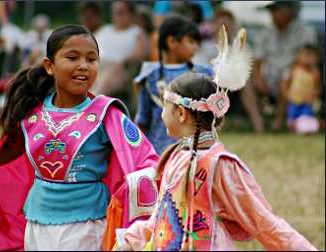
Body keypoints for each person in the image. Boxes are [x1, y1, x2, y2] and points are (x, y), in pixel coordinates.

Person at [114, 26, 317, 251]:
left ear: (181, 114)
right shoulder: (175, 156)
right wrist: (131, 240)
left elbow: (263, 221)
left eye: (165, 107)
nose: (161, 114)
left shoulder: (220, 165)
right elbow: (162, 216)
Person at [0, 24, 159, 251]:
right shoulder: (31, 113)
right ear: (49, 66)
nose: (83, 66)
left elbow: (144, 158)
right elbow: (2, 157)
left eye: (91, 59)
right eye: (72, 57)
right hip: (36, 224)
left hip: (87, 225)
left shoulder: (107, 114)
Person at [134, 15, 213, 155]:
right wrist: (135, 151)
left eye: (197, 42)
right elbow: (142, 119)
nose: (196, 47)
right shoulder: (151, 76)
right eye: (191, 41)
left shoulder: (202, 74)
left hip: (194, 151)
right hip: (157, 152)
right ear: (172, 42)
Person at [251, 1, 317, 131]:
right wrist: (259, 80)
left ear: (291, 10)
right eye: (272, 10)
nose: (273, 14)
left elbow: (308, 60)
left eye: (277, 9)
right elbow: (256, 62)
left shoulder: (305, 31)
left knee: (287, 76)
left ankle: (279, 122)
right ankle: (258, 123)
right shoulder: (265, 32)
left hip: (294, 78)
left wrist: (289, 76)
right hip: (268, 78)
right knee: (247, 80)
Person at [92, 1, 149, 117]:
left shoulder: (137, 32)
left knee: (112, 69)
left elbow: (141, 54)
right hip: (97, 64)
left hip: (121, 69)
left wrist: (123, 61)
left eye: (121, 12)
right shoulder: (104, 29)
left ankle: (92, 103)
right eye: (115, 12)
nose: (116, 15)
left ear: (131, 14)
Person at [281, 44, 321, 134]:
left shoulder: (315, 73)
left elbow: (318, 88)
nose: (307, 58)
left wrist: (313, 96)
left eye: (310, 55)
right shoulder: (293, 70)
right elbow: (284, 84)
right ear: (298, 56)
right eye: (305, 55)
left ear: (316, 58)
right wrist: (287, 95)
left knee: (305, 117)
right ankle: (294, 129)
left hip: (307, 102)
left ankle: (304, 128)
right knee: (292, 117)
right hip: (294, 101)